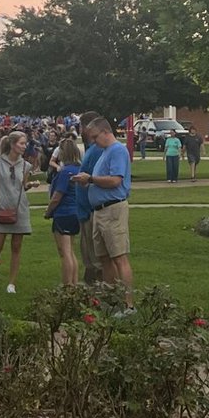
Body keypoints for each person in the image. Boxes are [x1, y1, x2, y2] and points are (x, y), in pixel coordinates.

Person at [77, 118, 133, 310]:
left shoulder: (117, 150)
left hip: (113, 208)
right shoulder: (105, 152)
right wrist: (88, 182)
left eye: (94, 137)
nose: (93, 141)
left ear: (105, 132)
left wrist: (91, 178)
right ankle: (111, 301)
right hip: (100, 211)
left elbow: (116, 180)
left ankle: (128, 305)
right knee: (104, 258)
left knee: (119, 257)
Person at [0, 130, 36, 295]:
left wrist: (30, 185)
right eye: (22, 143)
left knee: (16, 247)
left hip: (20, 209)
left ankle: (11, 284)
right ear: (13, 144)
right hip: (2, 208)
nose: (24, 146)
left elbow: (23, 186)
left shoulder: (26, 165)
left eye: (25, 143)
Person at [43, 138, 81, 285]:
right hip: (76, 212)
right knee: (71, 251)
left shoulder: (65, 172)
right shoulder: (80, 169)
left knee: (65, 253)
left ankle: (68, 286)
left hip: (64, 212)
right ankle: (75, 283)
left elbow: (57, 196)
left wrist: (48, 211)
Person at [74, 110, 103, 286]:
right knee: (88, 255)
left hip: (91, 210)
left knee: (96, 257)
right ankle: (90, 287)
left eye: (81, 126)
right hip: (84, 210)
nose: (80, 130)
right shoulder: (92, 149)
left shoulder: (97, 150)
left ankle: (101, 291)